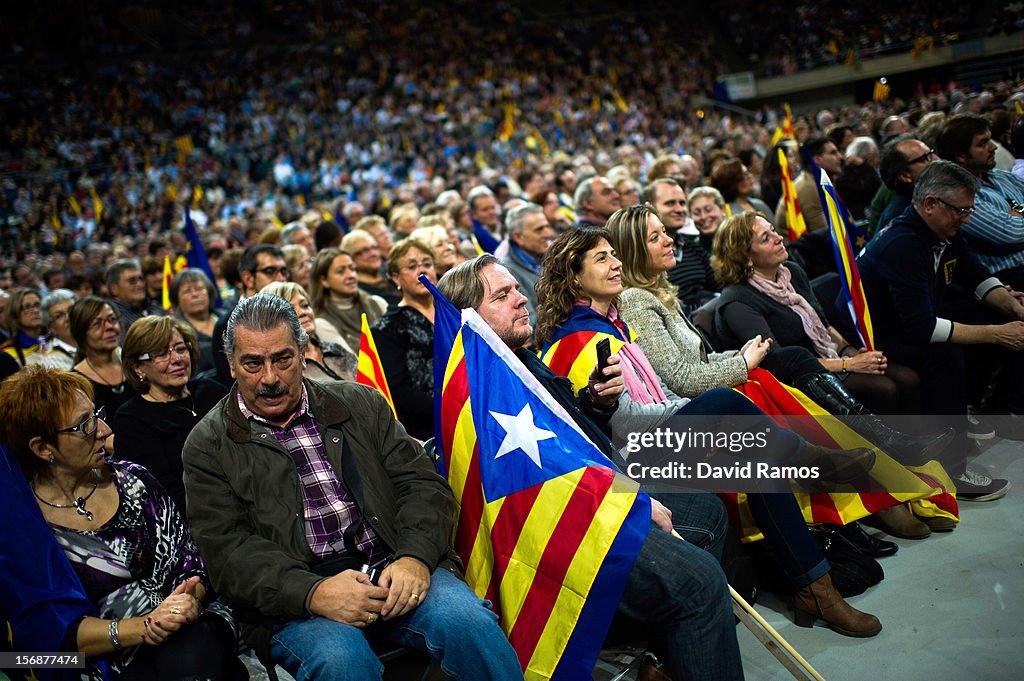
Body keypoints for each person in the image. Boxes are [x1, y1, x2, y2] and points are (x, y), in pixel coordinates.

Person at [529, 231, 882, 640]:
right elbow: (621, 425)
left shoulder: (614, 324)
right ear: (574, 278)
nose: (616, 264)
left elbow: (661, 390)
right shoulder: (578, 338)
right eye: (602, 259)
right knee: (724, 403)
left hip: (659, 441)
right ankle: (810, 464)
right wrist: (697, 412)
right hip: (632, 465)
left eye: (614, 255)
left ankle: (816, 589)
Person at [437, 255, 751, 677]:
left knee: (706, 512)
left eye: (516, 288)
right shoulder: (482, 390)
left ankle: (665, 652)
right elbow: (547, 482)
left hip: (598, 493)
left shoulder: (519, 359)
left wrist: (595, 403)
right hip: (562, 527)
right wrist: (632, 503)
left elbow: (570, 437)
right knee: (699, 581)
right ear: (470, 318)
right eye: (503, 295)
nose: (520, 300)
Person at [180, 294, 523, 681]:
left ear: (304, 350)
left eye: (282, 359)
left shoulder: (359, 402)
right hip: (297, 598)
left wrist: (415, 557)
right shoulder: (207, 444)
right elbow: (229, 554)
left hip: (393, 562)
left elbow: (422, 484)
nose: (270, 378)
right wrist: (312, 592)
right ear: (230, 365)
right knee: (343, 664)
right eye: (253, 364)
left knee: (470, 624)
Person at [0, 366, 242, 679]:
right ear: (43, 448)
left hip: (189, 628)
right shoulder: (28, 526)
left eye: (96, 414)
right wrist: (143, 627)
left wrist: (186, 603)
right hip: (97, 659)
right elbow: (48, 636)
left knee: (190, 647)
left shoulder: (133, 479)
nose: (103, 429)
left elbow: (190, 561)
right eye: (84, 425)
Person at [856, 161, 1021, 501]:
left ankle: (978, 409)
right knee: (944, 356)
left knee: (981, 310)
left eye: (969, 210)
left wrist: (1014, 309)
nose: (967, 218)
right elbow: (922, 328)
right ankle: (951, 470)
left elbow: (976, 276)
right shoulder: (903, 243)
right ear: (931, 204)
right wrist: (997, 332)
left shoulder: (943, 232)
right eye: (961, 210)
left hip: (914, 321)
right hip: (878, 338)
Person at [112, 316, 227, 514]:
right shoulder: (132, 419)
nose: (176, 359)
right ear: (138, 367)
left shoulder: (212, 391)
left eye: (181, 349)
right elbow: (163, 494)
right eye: (161, 354)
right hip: (194, 519)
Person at [937, 113, 1024, 290]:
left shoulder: (1003, 177)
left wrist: (1015, 213)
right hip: (1007, 281)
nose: (993, 147)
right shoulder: (957, 195)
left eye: (990, 140)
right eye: (982, 143)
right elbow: (1010, 234)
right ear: (960, 156)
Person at [370, 238, 438, 440]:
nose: (422, 271)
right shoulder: (387, 327)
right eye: (412, 266)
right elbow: (399, 392)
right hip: (426, 428)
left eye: (427, 264)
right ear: (395, 278)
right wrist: (449, 407)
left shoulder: (454, 313)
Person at [644, 178, 719, 314]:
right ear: (650, 207)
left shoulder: (693, 246)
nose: (679, 209)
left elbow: (720, 286)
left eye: (682, 203)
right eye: (670, 203)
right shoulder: (645, 255)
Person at [261, 281, 357, 383]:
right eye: (291, 309)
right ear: (272, 320)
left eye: (305, 305)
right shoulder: (283, 366)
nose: (302, 312)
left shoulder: (335, 350)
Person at [309, 247, 388, 355]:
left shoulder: (377, 303)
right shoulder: (322, 322)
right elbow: (351, 364)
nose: (350, 275)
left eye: (352, 269)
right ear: (324, 281)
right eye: (341, 272)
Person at [69, 296, 137, 416]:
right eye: (97, 324)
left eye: (112, 319)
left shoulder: (136, 365)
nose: (110, 327)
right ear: (81, 332)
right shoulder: (75, 384)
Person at [498, 203, 554, 322]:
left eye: (547, 226)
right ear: (518, 237)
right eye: (539, 230)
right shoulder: (507, 272)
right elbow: (529, 323)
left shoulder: (552, 254)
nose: (548, 234)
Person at [170, 269, 220, 375]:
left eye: (199, 288)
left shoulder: (228, 318)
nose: (195, 294)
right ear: (176, 300)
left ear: (209, 292)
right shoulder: (177, 332)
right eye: (187, 291)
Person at [104, 260, 166, 341]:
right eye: (132, 281)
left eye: (141, 279)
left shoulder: (155, 306)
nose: (140, 284)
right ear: (114, 289)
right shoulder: (112, 318)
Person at [341, 229, 401, 305]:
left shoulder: (390, 275)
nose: (373, 253)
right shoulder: (356, 291)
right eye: (364, 250)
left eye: (374, 247)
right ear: (351, 258)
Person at [29, 288, 78, 370]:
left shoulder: (98, 340)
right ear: (51, 328)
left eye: (71, 310)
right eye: (59, 316)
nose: (68, 318)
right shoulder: (51, 362)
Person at [1, 287, 45, 366]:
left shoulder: (54, 340)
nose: (35, 310)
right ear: (15, 314)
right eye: (27, 307)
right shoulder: (7, 353)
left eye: (37, 305)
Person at [688, 186, 728, 252]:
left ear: (722, 209)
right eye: (696, 213)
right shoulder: (692, 249)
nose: (703, 217)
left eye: (708, 210)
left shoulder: (739, 240)